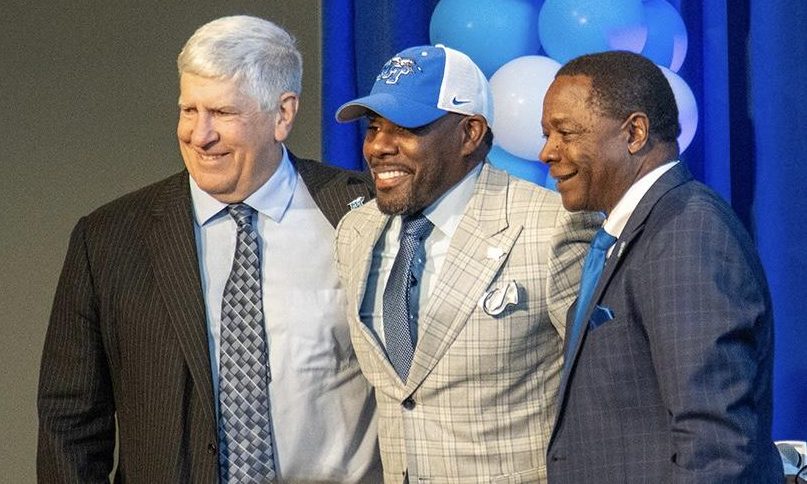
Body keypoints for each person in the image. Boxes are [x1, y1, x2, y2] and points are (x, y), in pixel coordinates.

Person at [37, 15, 381, 482]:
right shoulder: (109, 238)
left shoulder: (364, 215)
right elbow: (69, 423)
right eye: (188, 110)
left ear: (283, 114)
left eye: (222, 113)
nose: (200, 135)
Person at [334, 44, 601, 483]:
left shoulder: (554, 227)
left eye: (405, 127)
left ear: (470, 133)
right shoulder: (355, 232)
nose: (378, 146)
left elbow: (603, 393)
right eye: (374, 126)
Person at [540, 50, 783, 482]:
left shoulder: (684, 232)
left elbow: (715, 446)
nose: (547, 152)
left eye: (565, 132)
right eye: (547, 134)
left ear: (634, 133)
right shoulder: (643, 229)